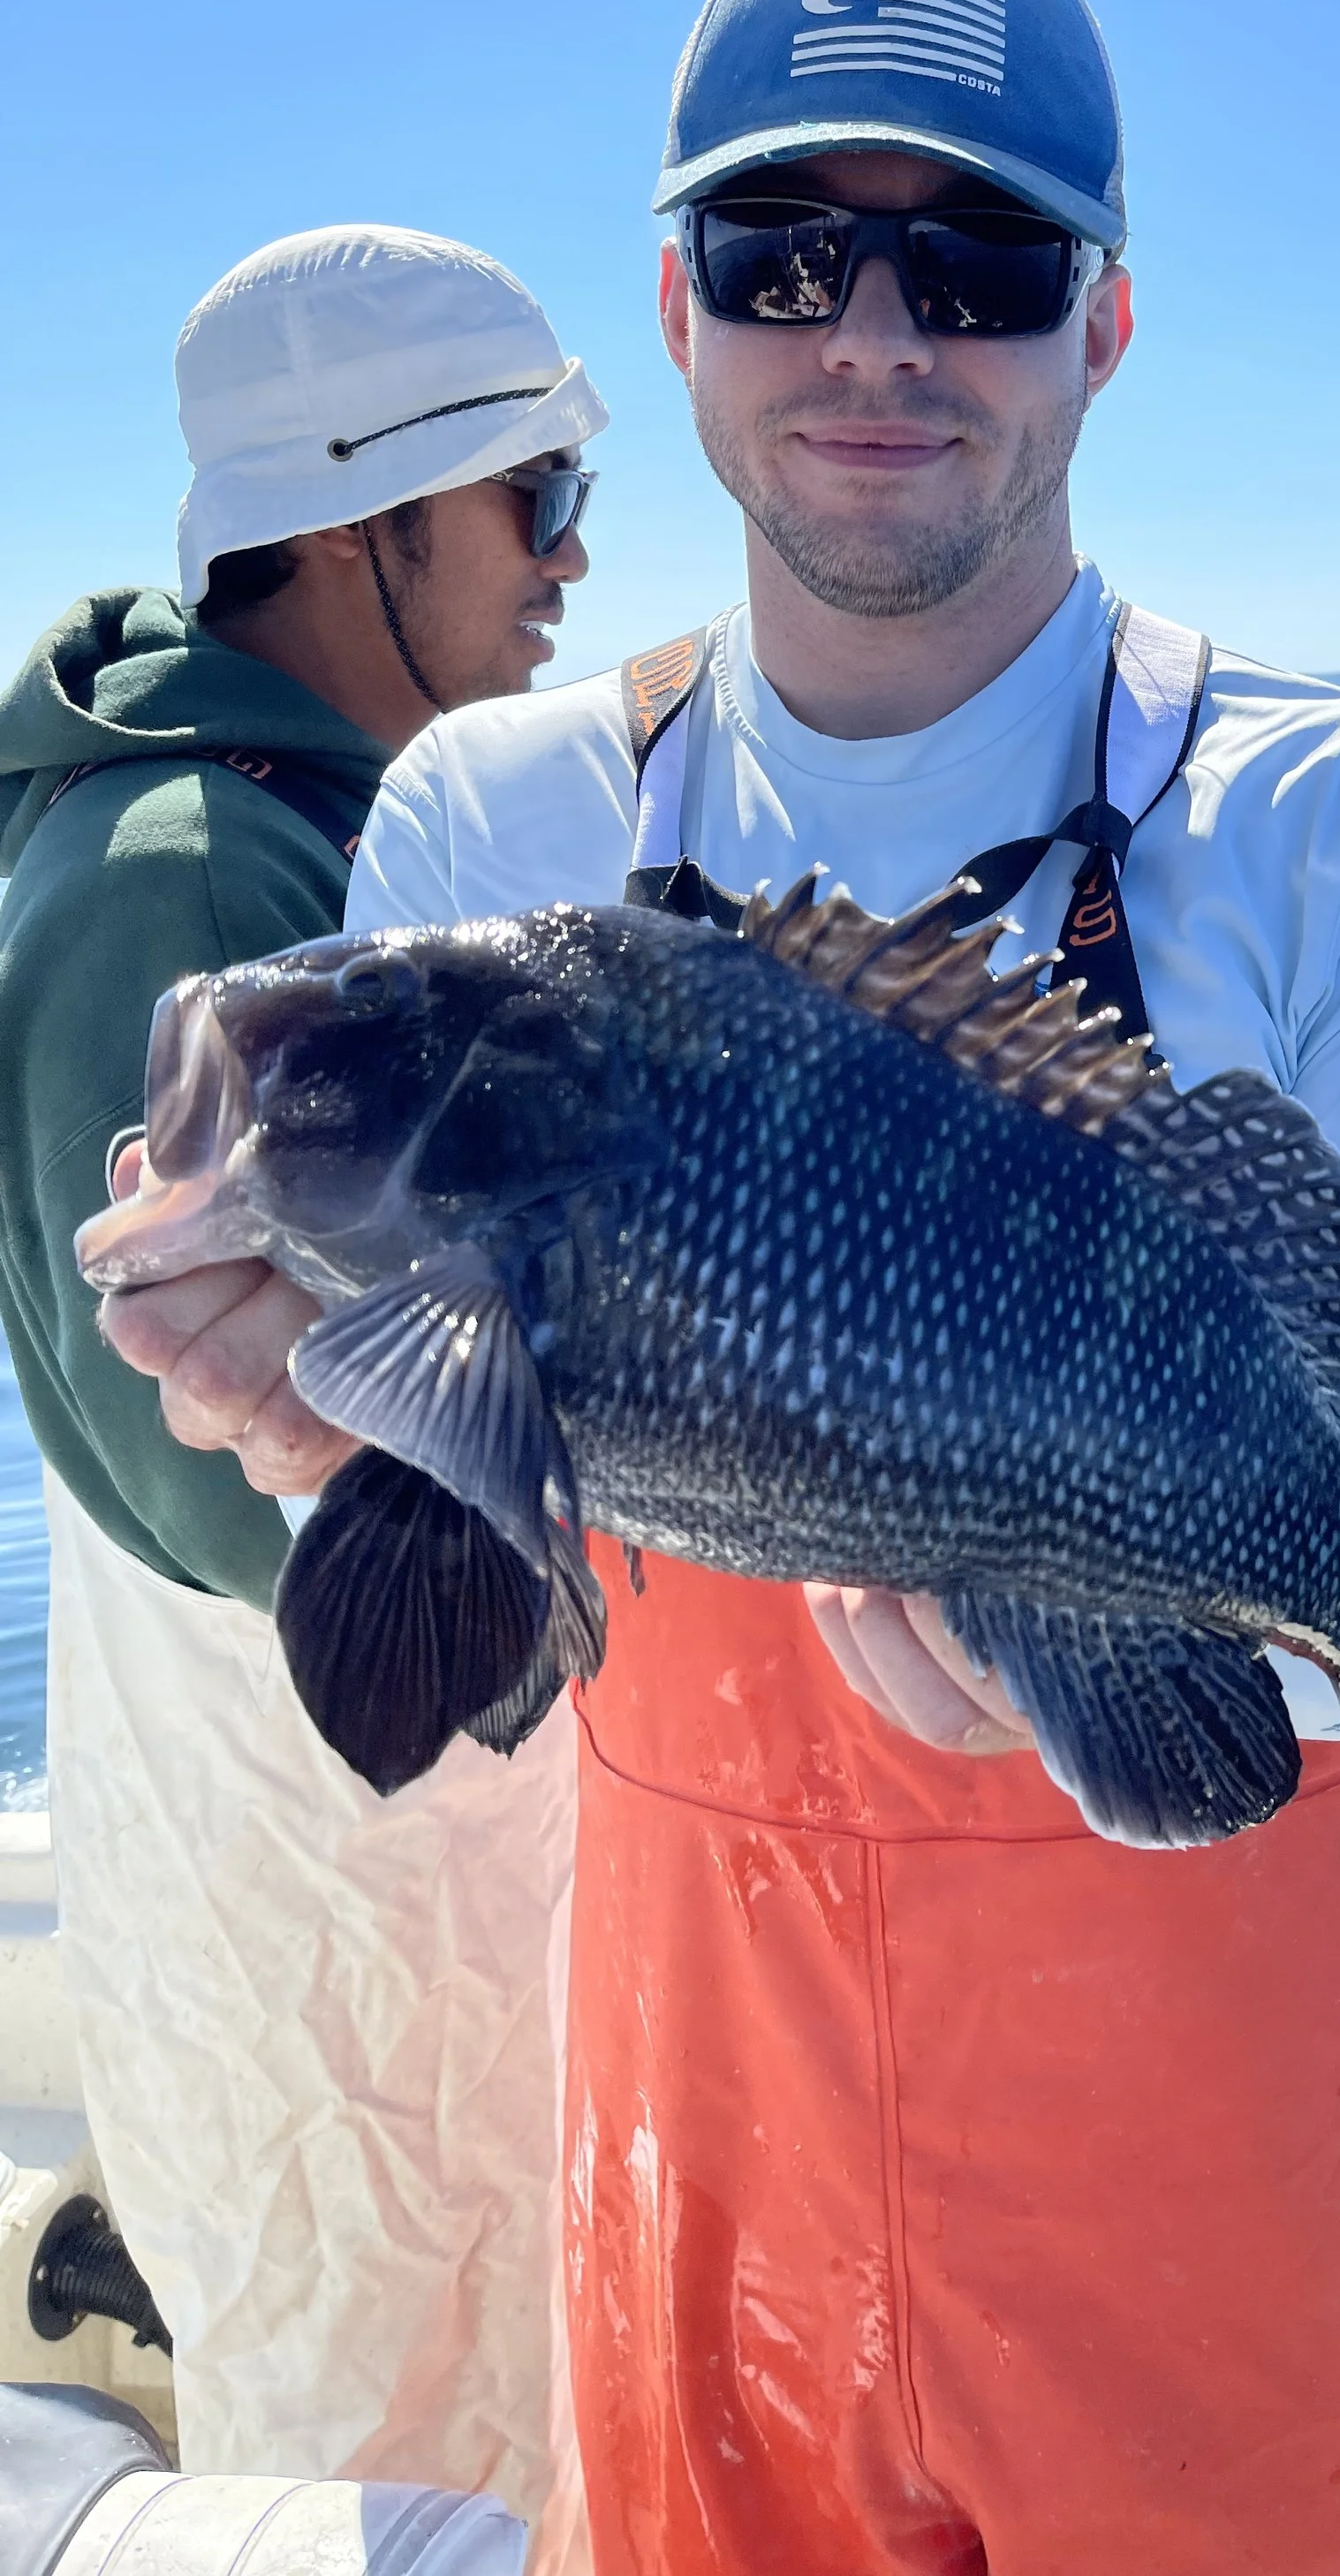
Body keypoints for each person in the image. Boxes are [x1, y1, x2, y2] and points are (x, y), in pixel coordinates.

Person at [112, 0, 1340, 2572]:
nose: (875, 336)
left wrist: (1173, 1676)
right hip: (710, 2142)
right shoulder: (486, 829)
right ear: (678, 317)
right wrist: (312, 1439)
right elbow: (460, 1582)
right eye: (789, 255)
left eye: (980, 263)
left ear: (1105, 324)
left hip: (1225, 2184)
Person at [0, 224, 604, 2519]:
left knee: (512, 2379)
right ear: (373, 526)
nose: (568, 563)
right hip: (311, 1836)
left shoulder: (326, 810)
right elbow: (184, 1450)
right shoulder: (179, 875)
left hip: (407, 1763)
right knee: (371, 2428)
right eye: (531, 502)